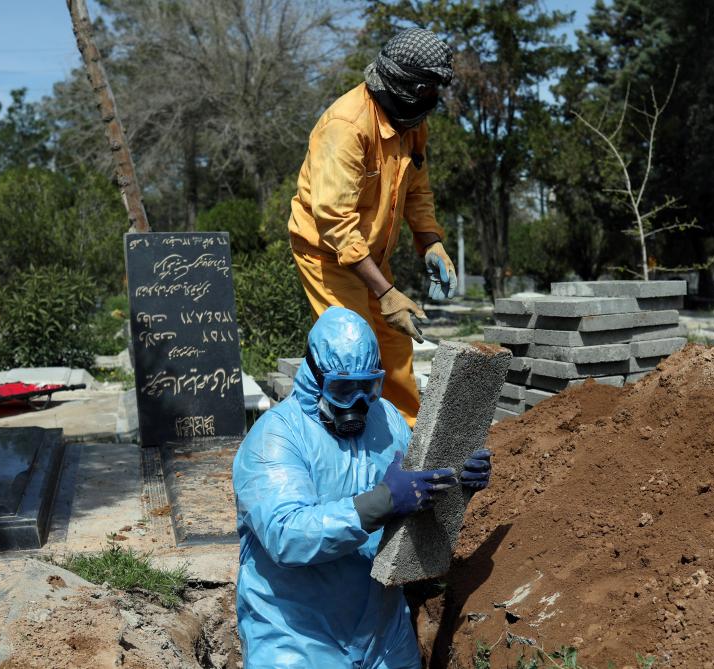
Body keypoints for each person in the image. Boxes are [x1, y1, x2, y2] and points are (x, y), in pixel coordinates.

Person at [232, 307, 492, 668]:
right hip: (295, 633)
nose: (357, 403)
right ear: (314, 378)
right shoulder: (275, 438)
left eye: (367, 387)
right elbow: (286, 535)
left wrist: (457, 481)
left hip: (382, 631)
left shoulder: (387, 419)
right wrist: (382, 502)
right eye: (342, 389)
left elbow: (416, 495)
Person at [288, 28, 458, 427]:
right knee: (351, 345)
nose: (435, 99)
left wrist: (431, 242)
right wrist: (386, 293)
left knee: (395, 346)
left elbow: (417, 189)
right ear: (412, 88)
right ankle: (342, 434)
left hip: (371, 256)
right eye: (431, 90)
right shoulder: (347, 126)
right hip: (328, 255)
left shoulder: (411, 125)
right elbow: (335, 222)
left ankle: (406, 436)